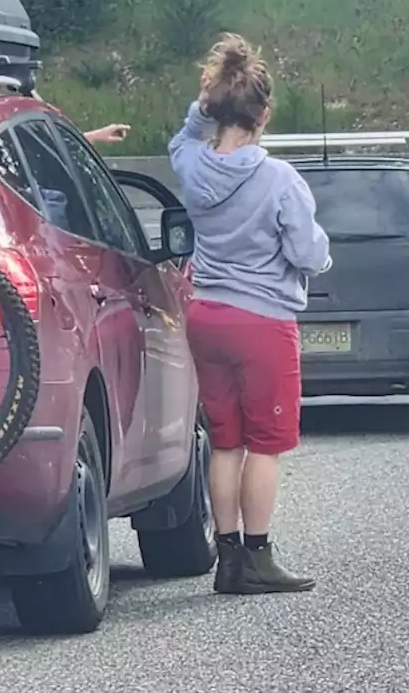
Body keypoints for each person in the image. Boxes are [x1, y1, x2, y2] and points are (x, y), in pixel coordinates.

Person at [168, 32, 331, 595]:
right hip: (262, 320)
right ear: (263, 116)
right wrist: (319, 253)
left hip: (206, 312)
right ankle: (259, 556)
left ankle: (227, 557)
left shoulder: (190, 164)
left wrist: (205, 100)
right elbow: (307, 251)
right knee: (267, 443)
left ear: (217, 109)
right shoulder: (279, 178)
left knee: (226, 440)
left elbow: (186, 133)